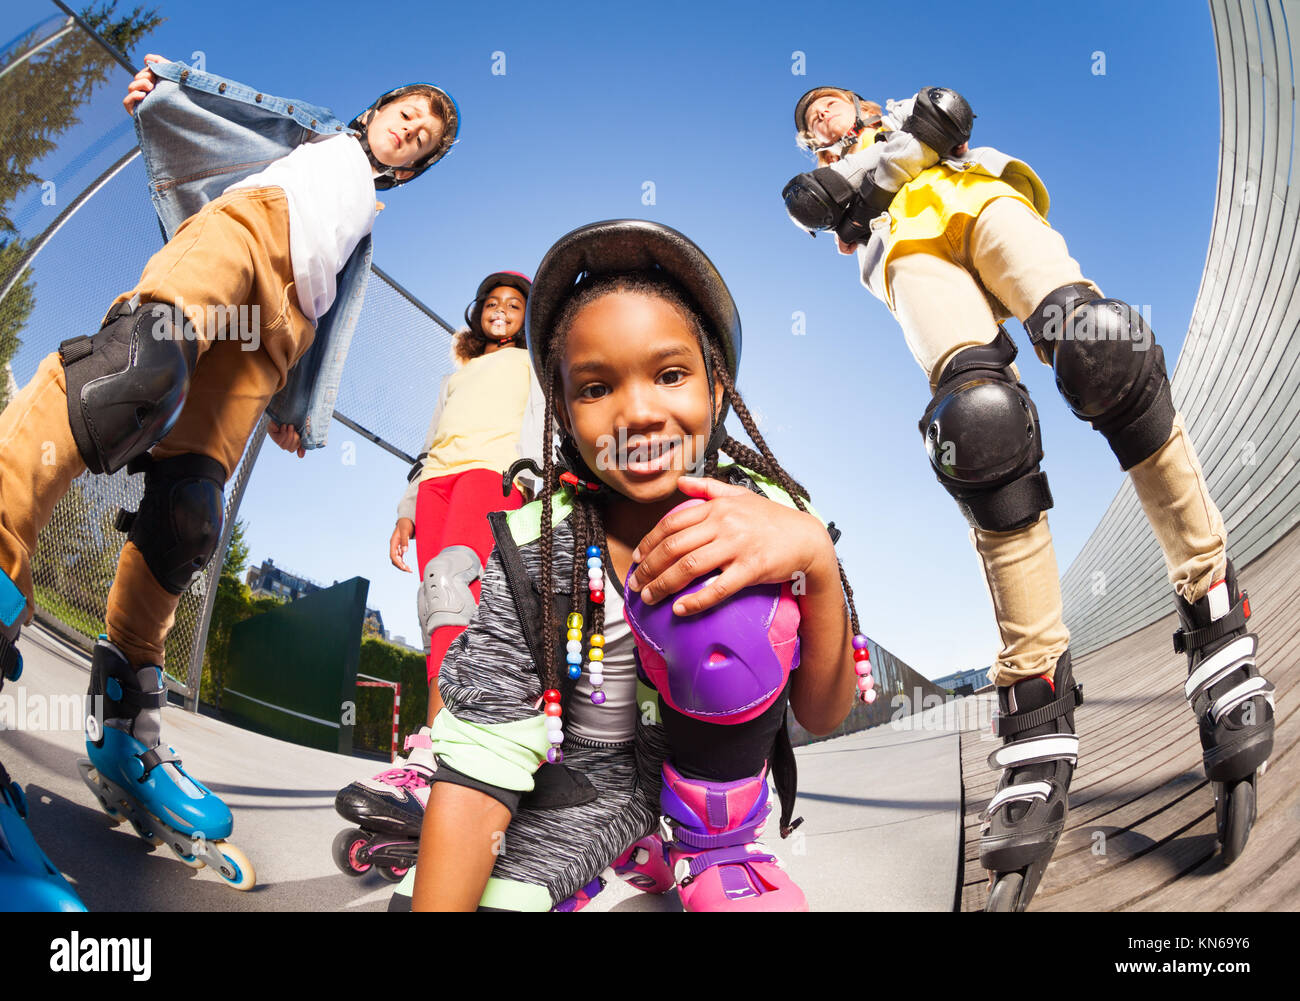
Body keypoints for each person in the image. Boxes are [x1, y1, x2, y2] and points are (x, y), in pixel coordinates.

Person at [783, 86, 1275, 910]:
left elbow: (947, 119)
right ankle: (1036, 691)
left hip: (987, 201)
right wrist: (902, 161)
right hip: (912, 256)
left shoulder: (898, 117)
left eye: (831, 103)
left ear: (859, 99)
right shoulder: (821, 185)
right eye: (811, 122)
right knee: (981, 432)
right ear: (809, 143)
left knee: (1102, 350)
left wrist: (885, 172)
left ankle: (1213, 602)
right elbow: (843, 192)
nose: (824, 118)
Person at [0, 55, 457, 906]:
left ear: (412, 167)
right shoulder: (318, 139)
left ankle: (124, 732)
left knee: (189, 516)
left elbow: (330, 315)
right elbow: (228, 114)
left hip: (280, 327)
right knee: (127, 380)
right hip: (242, 234)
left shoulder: (365, 219)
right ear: (377, 110)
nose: (412, 129)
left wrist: (296, 404)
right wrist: (165, 94)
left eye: (424, 138)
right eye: (408, 113)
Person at [390, 219, 868, 912]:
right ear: (561, 409)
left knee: (729, 592)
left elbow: (823, 712)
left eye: (670, 374)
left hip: (707, 780)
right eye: (594, 388)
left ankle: (713, 845)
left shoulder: (769, 513)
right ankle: (627, 845)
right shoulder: (535, 539)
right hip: (572, 784)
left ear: (715, 382)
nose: (637, 412)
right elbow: (483, 754)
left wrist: (816, 561)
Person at [332, 271, 544, 874]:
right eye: (494, 304)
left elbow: (541, 422)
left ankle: (442, 762)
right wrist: (406, 510)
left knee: (459, 593)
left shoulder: (532, 363)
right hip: (438, 487)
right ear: (478, 313)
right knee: (437, 608)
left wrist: (528, 483)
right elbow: (428, 447)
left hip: (493, 476)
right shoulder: (457, 374)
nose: (502, 311)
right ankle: (433, 749)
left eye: (514, 305)